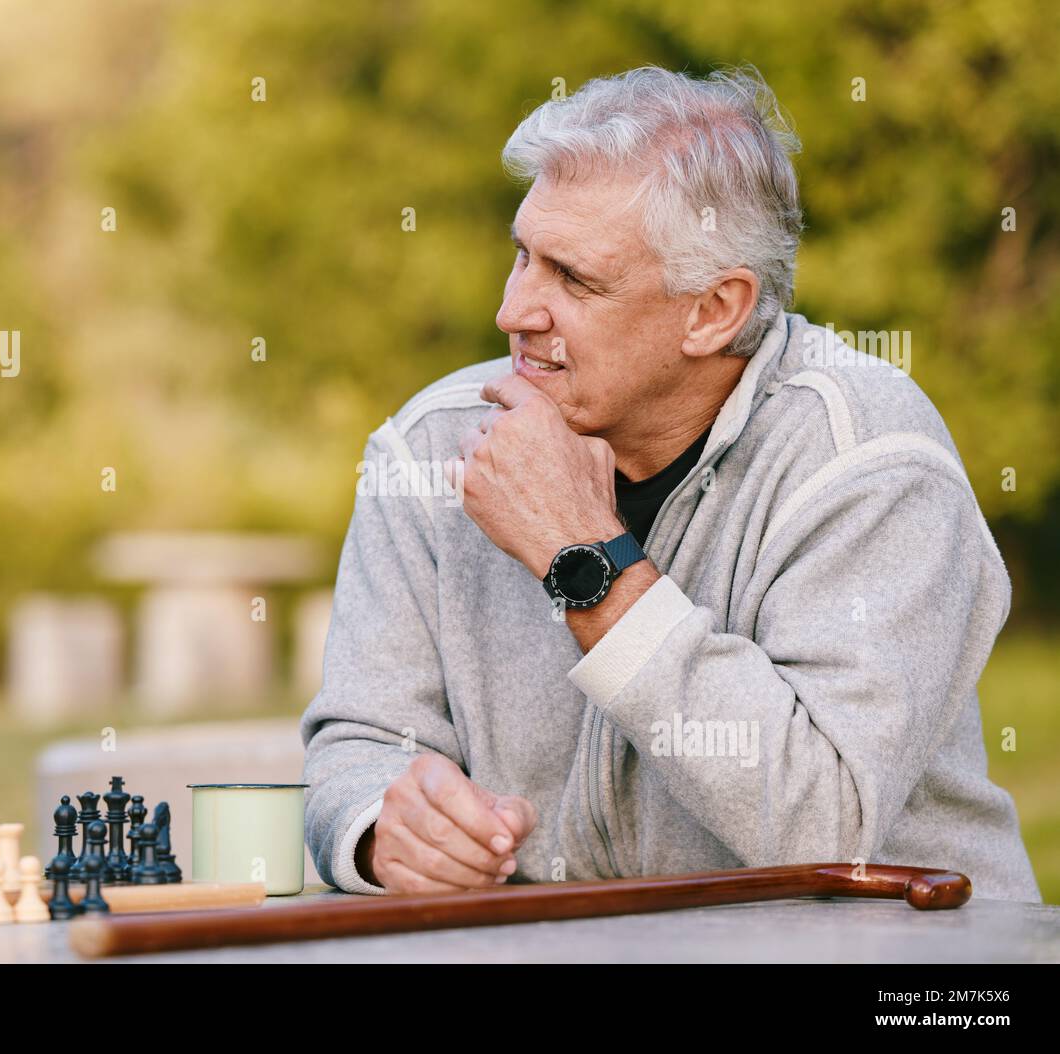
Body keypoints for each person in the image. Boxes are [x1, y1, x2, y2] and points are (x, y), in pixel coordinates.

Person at [300, 66, 1041, 902]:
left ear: (713, 311)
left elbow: (824, 822)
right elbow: (357, 743)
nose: (514, 311)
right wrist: (377, 833)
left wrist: (583, 558)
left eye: (574, 279)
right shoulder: (423, 451)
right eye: (522, 256)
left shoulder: (870, 461)